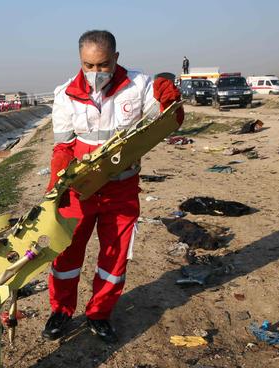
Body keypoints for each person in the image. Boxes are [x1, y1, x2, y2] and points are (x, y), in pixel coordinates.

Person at [42, 29, 183, 343]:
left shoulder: (139, 86)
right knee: (65, 254)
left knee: (115, 258)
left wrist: (170, 99)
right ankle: (62, 310)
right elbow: (63, 146)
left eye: (102, 65)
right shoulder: (65, 94)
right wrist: (57, 182)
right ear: (80, 61)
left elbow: (169, 118)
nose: (95, 73)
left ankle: (99, 313)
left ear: (116, 58)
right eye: (88, 66)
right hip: (80, 191)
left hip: (120, 191)